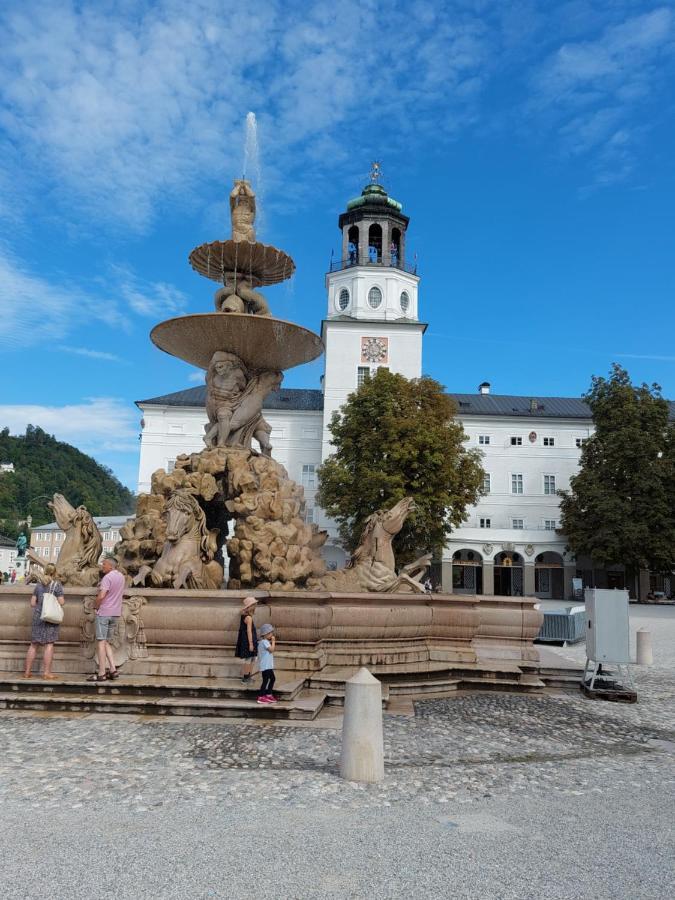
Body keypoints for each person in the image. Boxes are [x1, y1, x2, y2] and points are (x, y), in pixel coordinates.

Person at [23, 563, 65, 680]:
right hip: (50, 617)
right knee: (49, 644)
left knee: (34, 645)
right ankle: (46, 673)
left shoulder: (38, 585)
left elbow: (32, 603)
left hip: (38, 616)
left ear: (45, 571)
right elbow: (61, 602)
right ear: (54, 572)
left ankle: (27, 672)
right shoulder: (56, 585)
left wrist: (40, 606)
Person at [88, 555, 124, 682]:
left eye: (104, 564)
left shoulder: (107, 578)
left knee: (101, 642)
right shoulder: (121, 576)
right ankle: (113, 670)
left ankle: (102, 673)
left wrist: (96, 606)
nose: (102, 566)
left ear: (110, 565)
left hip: (104, 613)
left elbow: (102, 595)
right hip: (115, 613)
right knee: (107, 641)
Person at [235, 596, 258, 684]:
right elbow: (249, 631)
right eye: (254, 605)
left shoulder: (244, 615)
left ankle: (248, 676)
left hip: (247, 640)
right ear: (250, 607)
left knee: (252, 658)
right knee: (249, 659)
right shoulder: (249, 618)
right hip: (249, 641)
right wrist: (251, 644)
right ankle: (245, 678)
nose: (255, 607)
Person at [256, 623, 276, 704]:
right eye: (271, 633)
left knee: (272, 679)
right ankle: (261, 696)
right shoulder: (264, 641)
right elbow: (271, 650)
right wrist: (273, 641)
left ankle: (268, 694)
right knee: (266, 680)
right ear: (266, 634)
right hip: (266, 666)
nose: (272, 635)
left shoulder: (263, 641)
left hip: (267, 666)